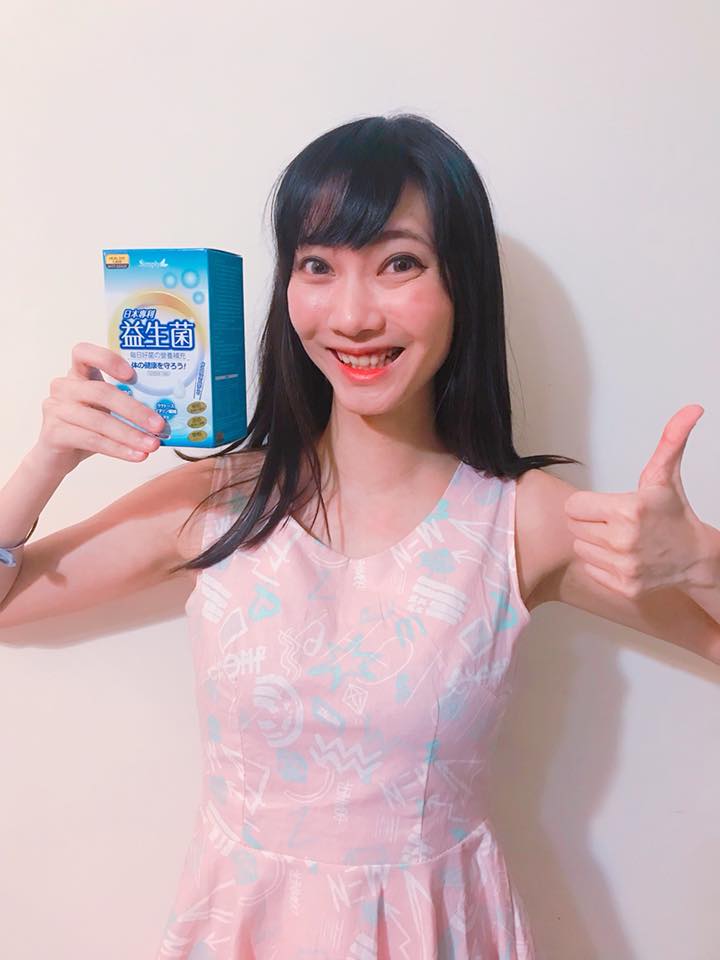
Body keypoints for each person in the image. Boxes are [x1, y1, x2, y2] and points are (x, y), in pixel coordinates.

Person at [2, 113, 717, 959]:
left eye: (398, 264)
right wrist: (48, 459)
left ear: (461, 285)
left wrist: (702, 560)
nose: (351, 314)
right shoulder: (221, 501)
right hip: (243, 930)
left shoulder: (520, 519)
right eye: (318, 266)